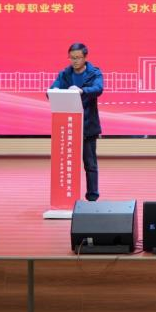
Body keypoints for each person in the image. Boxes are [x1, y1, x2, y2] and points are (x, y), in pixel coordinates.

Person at [49, 43, 104, 201]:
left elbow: (98, 89)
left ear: (85, 57)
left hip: (87, 125)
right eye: (72, 58)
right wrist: (54, 91)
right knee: (67, 164)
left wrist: (82, 90)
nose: (75, 61)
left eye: (78, 58)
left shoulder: (94, 73)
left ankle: (92, 197)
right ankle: (67, 196)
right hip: (67, 126)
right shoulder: (65, 74)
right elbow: (53, 88)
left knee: (90, 164)